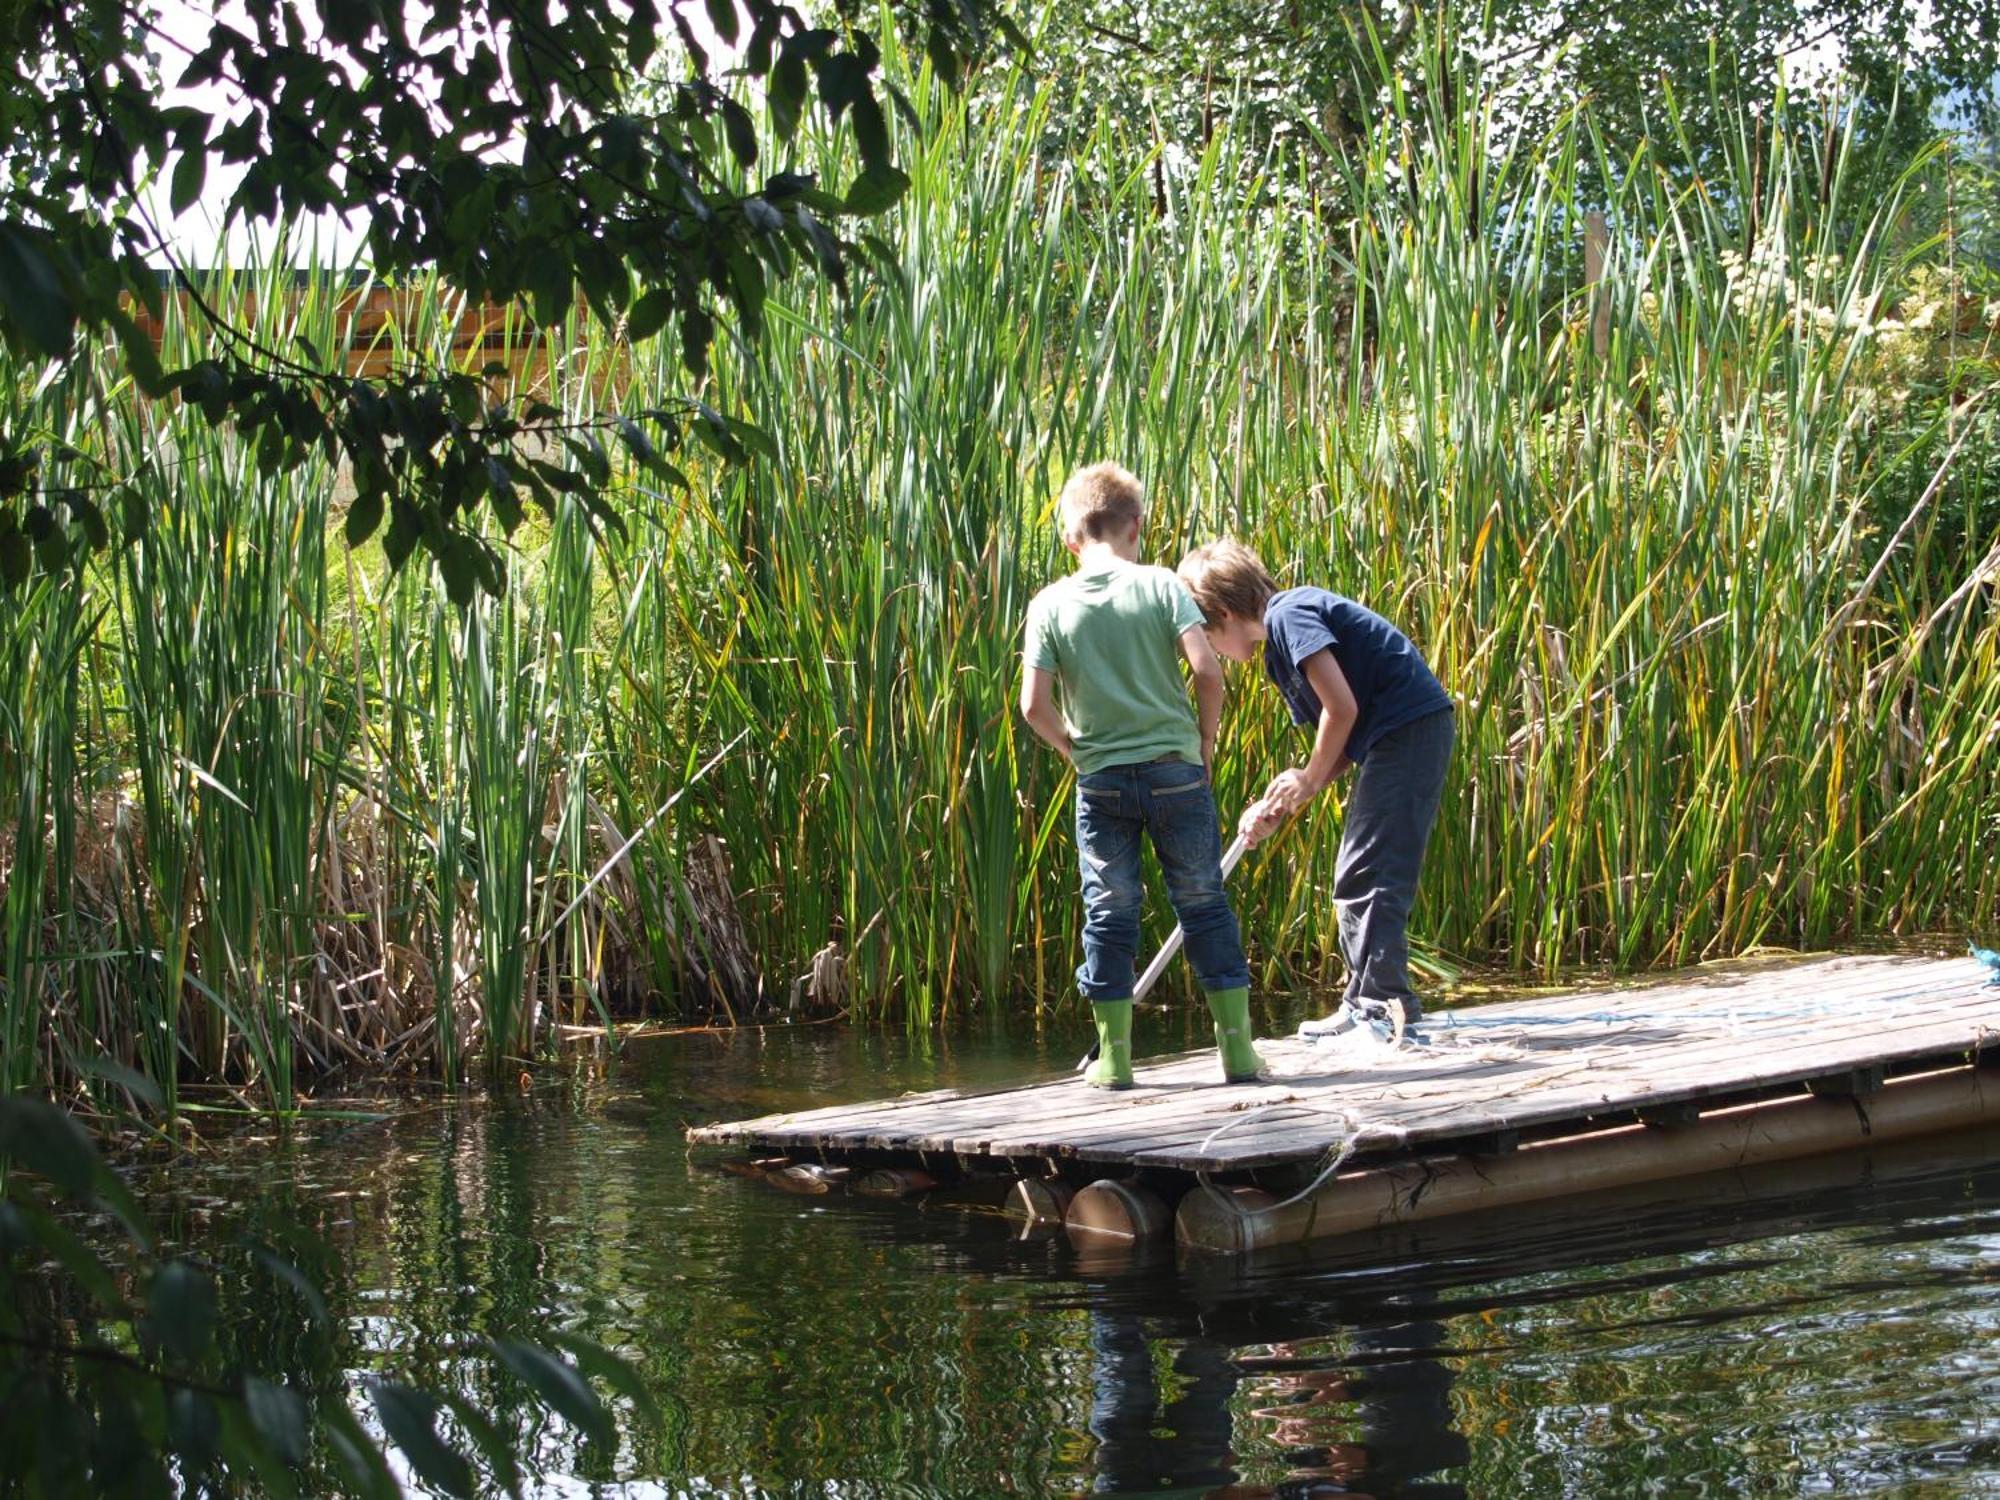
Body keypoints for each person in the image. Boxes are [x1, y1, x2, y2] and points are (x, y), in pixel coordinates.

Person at [1018, 463, 1263, 1088]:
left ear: (1071, 539)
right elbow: (1208, 671)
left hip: (1101, 781)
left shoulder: (1048, 603)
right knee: (1204, 902)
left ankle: (1115, 1060)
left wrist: (1073, 749)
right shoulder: (1160, 585)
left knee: (1110, 910)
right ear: (1137, 526)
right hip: (1176, 772)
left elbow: (1032, 708)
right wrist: (1203, 740)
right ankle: (1237, 1054)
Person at [1176, 539, 1453, 1041]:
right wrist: (1283, 802)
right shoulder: (1279, 652)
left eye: (1207, 636)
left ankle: (1385, 1010)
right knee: (1356, 870)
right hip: (1390, 736)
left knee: (1371, 871)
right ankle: (1365, 1003)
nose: (1213, 648)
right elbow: (1340, 741)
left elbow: (1341, 710)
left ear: (1221, 612)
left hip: (1410, 729)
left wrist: (1306, 777)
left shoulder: (1290, 614)